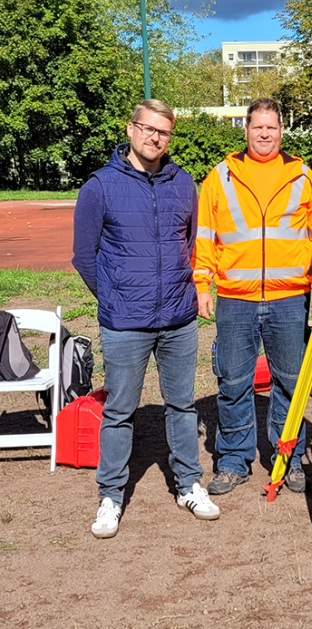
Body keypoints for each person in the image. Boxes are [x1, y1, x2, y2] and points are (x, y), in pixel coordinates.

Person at [73, 99, 219, 539]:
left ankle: (189, 483)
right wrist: (116, 298)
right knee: (119, 411)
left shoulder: (182, 184)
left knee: (182, 405)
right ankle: (111, 496)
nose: (155, 137)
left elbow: (191, 244)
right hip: (124, 323)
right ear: (131, 128)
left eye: (164, 132)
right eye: (148, 128)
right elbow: (84, 256)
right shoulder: (99, 185)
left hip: (177, 318)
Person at [193, 98, 312, 496]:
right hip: (236, 298)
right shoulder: (220, 177)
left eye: (272, 127)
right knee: (233, 381)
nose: (265, 134)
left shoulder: (305, 177)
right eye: (257, 127)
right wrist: (203, 284)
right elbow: (204, 237)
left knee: (291, 383)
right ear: (246, 129)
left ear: (282, 130)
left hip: (290, 298)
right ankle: (233, 461)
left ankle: (288, 458)